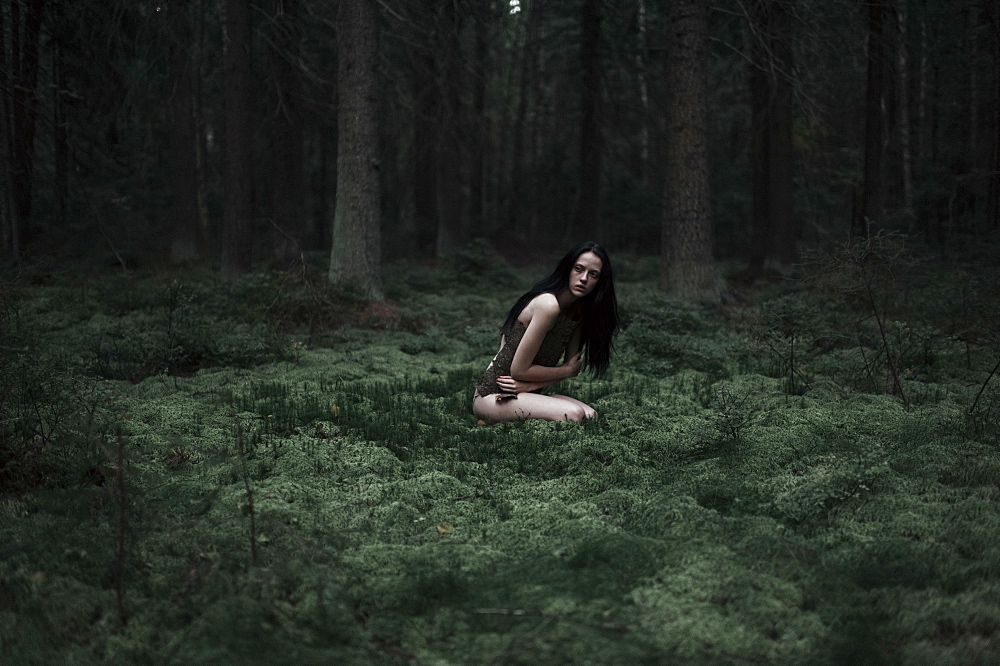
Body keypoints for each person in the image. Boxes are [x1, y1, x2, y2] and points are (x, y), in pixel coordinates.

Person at [473, 241, 620, 423]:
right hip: (493, 395)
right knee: (573, 415)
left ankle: (501, 420)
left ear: (600, 282)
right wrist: (566, 371)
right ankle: (492, 420)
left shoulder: (578, 313)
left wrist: (533, 385)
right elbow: (519, 371)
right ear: (567, 269)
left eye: (593, 274)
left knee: (591, 417)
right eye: (578, 269)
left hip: (523, 393)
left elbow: (569, 368)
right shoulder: (547, 305)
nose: (583, 278)